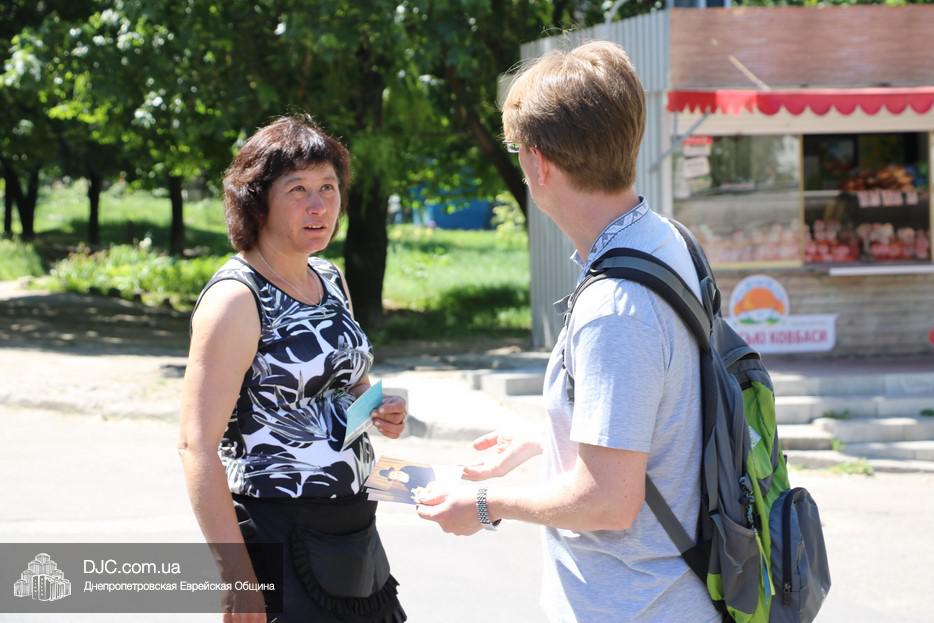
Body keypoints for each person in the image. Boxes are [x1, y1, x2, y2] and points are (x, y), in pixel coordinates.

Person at [416, 41, 721, 623]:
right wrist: (547, 437)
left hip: (638, 609)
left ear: (540, 165)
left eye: (516, 152)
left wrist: (483, 502)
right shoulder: (665, 239)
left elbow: (608, 500)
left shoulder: (615, 306)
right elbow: (661, 413)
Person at [178, 114, 408, 623]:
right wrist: (237, 579)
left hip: (354, 533)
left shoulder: (329, 278)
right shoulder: (237, 299)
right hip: (278, 533)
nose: (318, 205)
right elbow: (196, 446)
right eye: (298, 189)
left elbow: (350, 384)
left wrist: (378, 408)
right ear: (256, 200)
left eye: (328, 187)